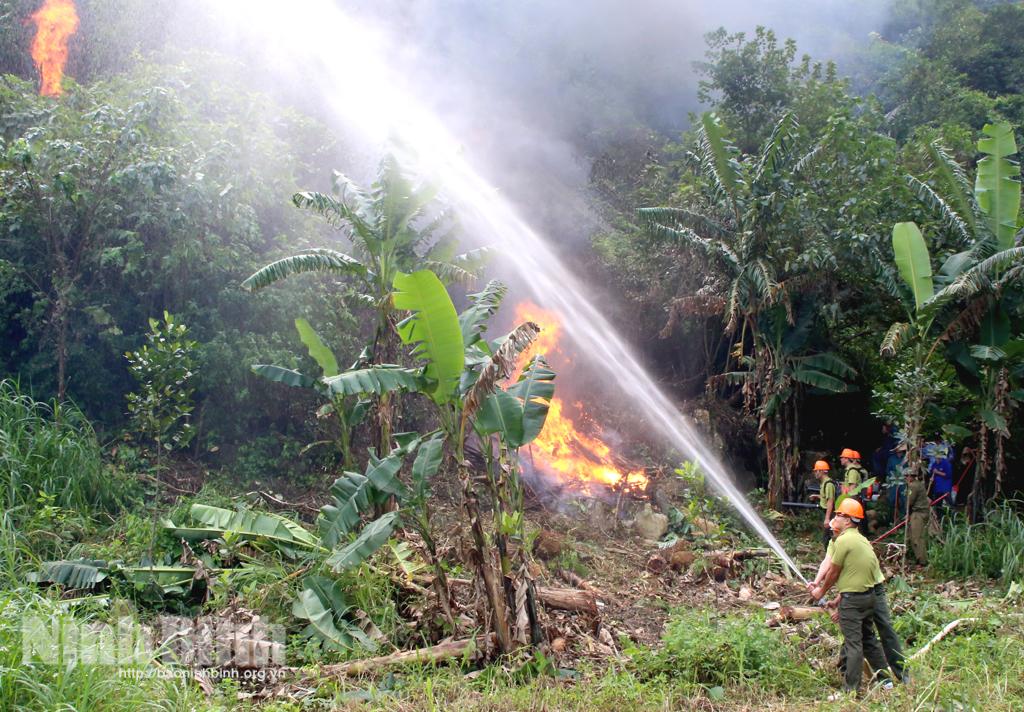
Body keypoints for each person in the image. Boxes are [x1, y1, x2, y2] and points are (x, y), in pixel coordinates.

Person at [810, 498, 904, 696]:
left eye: (838, 515)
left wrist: (821, 591)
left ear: (848, 520)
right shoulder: (859, 539)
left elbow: (834, 572)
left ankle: (850, 690)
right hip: (867, 596)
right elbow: (854, 574)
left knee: (854, 644)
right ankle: (886, 682)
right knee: (869, 639)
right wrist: (836, 597)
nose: (834, 518)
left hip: (854, 599)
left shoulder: (844, 540)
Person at [809, 460, 837, 552]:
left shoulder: (828, 484)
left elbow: (830, 501)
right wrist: (817, 496)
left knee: (827, 538)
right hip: (828, 512)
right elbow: (826, 497)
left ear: (821, 471)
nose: (815, 473)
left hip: (831, 513)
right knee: (827, 537)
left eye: (816, 471)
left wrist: (827, 518)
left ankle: (830, 557)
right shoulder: (824, 483)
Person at [905, 467, 929, 566]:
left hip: (918, 514)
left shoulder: (913, 486)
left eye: (906, 476)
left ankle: (922, 561)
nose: (905, 478)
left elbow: (910, 502)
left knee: (916, 538)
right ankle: (918, 558)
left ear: (910, 476)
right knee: (913, 537)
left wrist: (907, 514)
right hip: (919, 513)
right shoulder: (918, 484)